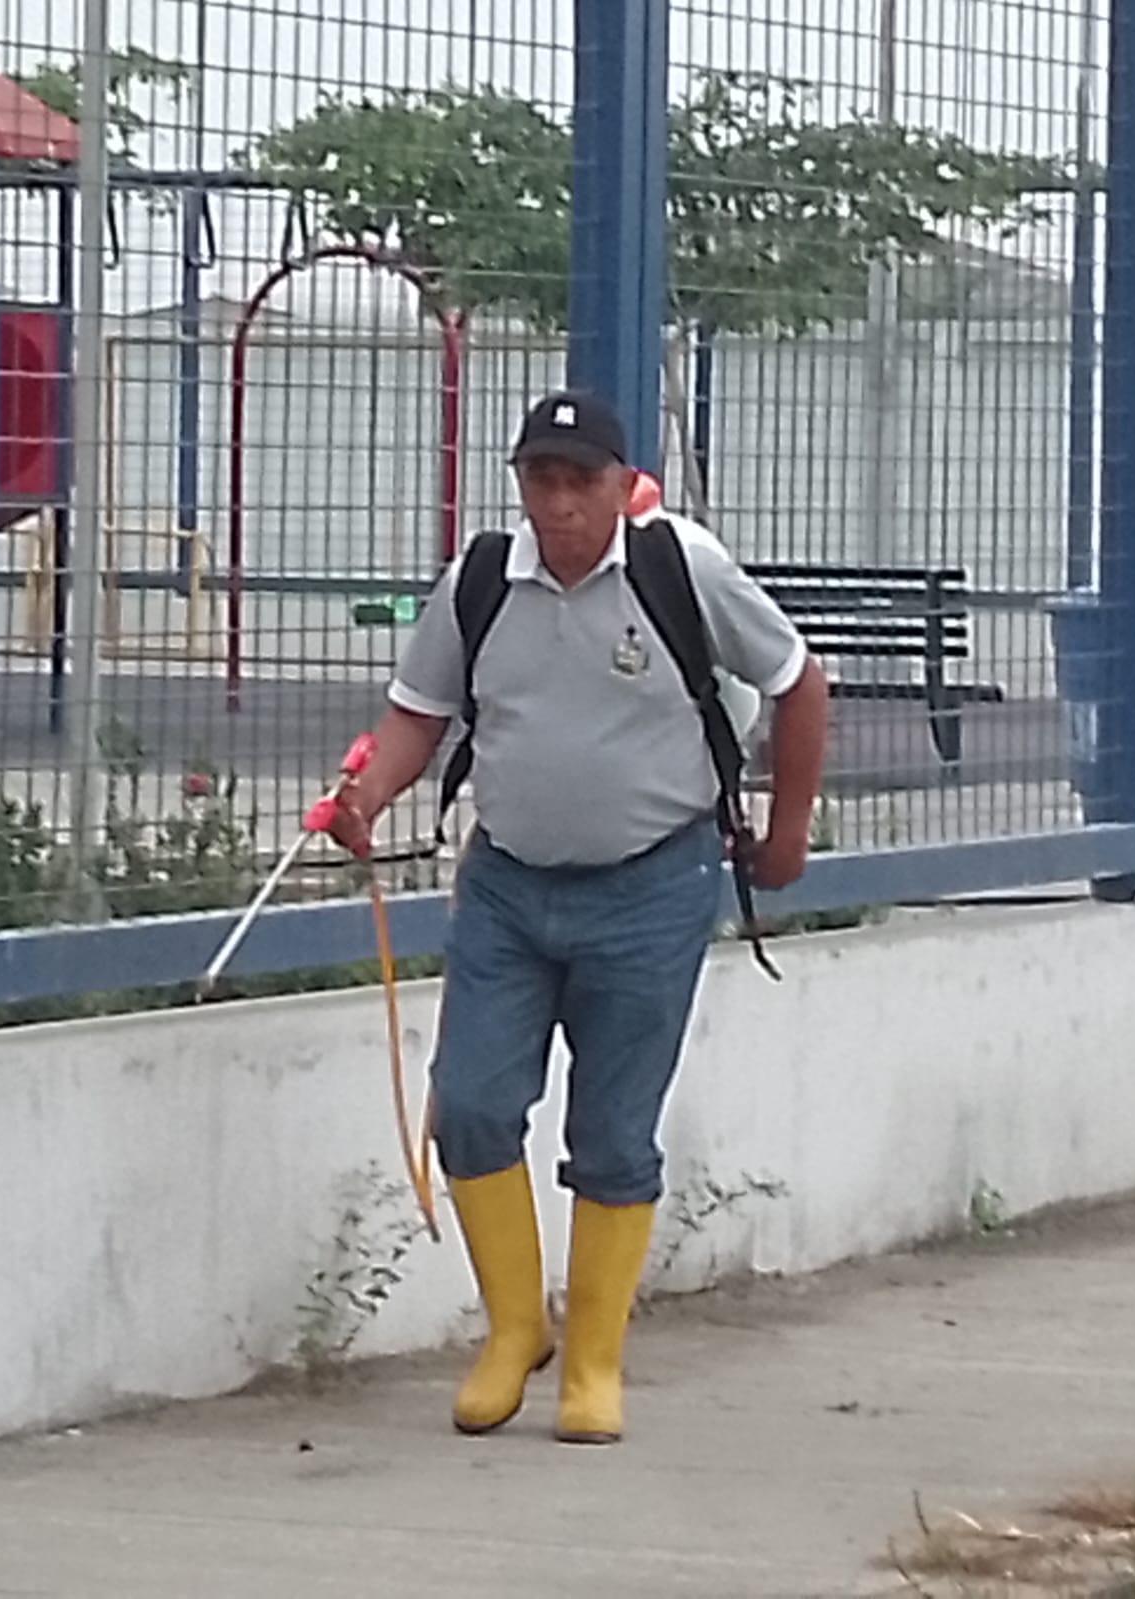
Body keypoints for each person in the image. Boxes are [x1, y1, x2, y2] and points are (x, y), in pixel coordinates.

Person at [329, 389, 828, 1445]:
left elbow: (798, 681)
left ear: (620, 485)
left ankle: (595, 1362)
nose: (557, 503)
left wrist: (786, 833)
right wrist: (366, 795)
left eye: (579, 481)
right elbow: (419, 712)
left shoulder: (679, 569)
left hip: (652, 885)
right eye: (539, 479)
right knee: (470, 1105)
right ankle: (517, 1330)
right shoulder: (480, 582)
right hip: (507, 886)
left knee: (610, 1130)